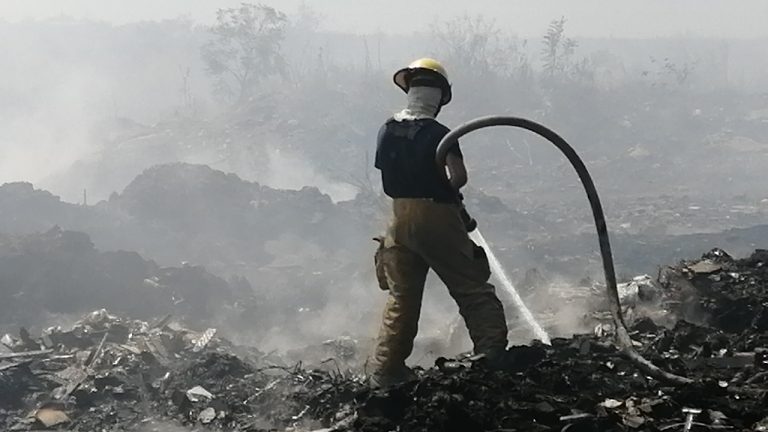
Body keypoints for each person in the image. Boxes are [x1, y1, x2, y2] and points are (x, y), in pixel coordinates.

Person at [371, 58, 509, 386]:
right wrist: (445, 190)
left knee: (402, 299)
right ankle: (492, 356)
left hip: (399, 220)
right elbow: (458, 176)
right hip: (438, 218)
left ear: (410, 90)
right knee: (471, 287)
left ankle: (386, 371)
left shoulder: (386, 130)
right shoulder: (440, 134)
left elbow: (388, 175)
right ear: (439, 97)